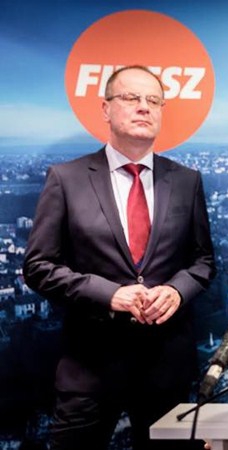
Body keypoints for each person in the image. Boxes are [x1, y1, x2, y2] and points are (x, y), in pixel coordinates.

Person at [23, 65, 216, 450]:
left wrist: (176, 291)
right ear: (105, 108)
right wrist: (109, 294)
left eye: (153, 101)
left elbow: (203, 261)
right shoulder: (66, 178)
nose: (144, 107)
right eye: (131, 98)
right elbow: (38, 266)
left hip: (166, 368)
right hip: (89, 367)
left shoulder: (186, 180)